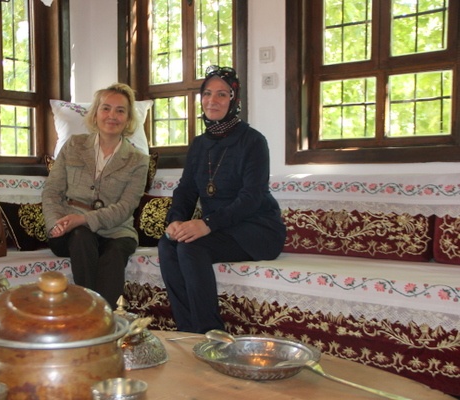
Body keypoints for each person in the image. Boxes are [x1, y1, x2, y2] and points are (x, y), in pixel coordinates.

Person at [158, 65, 286, 333]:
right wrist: (176, 220)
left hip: (257, 229)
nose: (212, 101)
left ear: (234, 99)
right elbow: (186, 190)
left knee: (191, 248)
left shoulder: (253, 141)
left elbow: (252, 197)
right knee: (168, 244)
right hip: (221, 228)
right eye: (207, 94)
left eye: (221, 94)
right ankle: (187, 331)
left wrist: (207, 224)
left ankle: (209, 334)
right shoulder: (199, 144)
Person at [42, 83, 149, 308]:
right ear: (96, 113)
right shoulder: (74, 145)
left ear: (128, 118)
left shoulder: (138, 160)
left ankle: (101, 317)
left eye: (120, 111)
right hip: (70, 232)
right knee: (81, 236)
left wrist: (84, 219)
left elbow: (126, 207)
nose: (112, 116)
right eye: (106, 108)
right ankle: (92, 314)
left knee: (115, 253)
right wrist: (55, 224)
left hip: (116, 231)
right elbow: (52, 191)